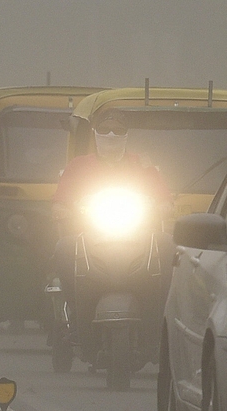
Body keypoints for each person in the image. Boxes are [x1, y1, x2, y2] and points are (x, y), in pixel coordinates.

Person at [51, 113, 173, 341]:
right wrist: (66, 211)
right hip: (87, 236)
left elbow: (164, 199)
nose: (110, 135)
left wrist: (163, 206)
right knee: (63, 248)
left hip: (139, 235)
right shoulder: (78, 165)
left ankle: (160, 319)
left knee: (167, 245)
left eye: (117, 130)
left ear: (127, 135)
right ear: (95, 133)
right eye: (105, 129)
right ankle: (77, 315)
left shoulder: (142, 164)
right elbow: (59, 203)